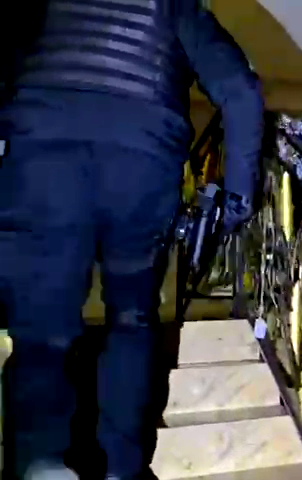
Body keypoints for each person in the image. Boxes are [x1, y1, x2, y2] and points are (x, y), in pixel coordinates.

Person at [0, 0, 264, 478]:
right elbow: (241, 90)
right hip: (142, 170)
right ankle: (123, 467)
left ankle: (41, 467)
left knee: (41, 337)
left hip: (41, 162)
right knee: (132, 321)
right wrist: (238, 200)